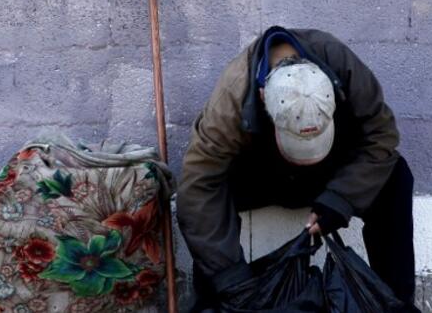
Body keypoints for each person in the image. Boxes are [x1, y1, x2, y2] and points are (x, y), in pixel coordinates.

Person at [177, 26, 417, 311]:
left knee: (396, 175)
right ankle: (215, 303)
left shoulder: (342, 66)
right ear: (264, 96)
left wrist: (341, 198)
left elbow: (382, 135)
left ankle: (396, 304)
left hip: (330, 173)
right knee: (209, 203)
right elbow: (199, 185)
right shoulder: (232, 97)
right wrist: (230, 278)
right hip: (264, 173)